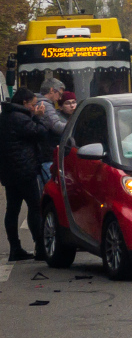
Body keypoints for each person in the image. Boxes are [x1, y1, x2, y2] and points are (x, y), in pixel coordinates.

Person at [0, 89, 61, 261]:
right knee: (35, 208)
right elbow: (39, 133)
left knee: (12, 209)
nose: (35, 107)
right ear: (25, 103)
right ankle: (40, 247)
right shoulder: (21, 118)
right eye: (33, 105)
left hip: (9, 170)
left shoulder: (5, 116)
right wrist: (40, 117)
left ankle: (15, 247)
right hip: (25, 170)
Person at [32, 78, 67, 183]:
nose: (60, 98)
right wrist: (75, 125)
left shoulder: (38, 101)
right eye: (59, 94)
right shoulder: (45, 105)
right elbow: (56, 127)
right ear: (52, 90)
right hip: (46, 154)